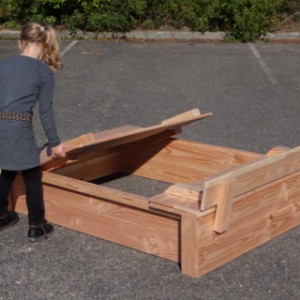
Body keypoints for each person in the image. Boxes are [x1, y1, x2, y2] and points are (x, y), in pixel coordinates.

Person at [0, 21, 66, 242]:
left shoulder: (4, 65)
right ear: (45, 45)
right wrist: (54, 142)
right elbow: (45, 113)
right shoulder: (43, 72)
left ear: (21, 42)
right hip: (20, 127)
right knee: (31, 174)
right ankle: (36, 226)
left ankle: (1, 216)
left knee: (7, 170)